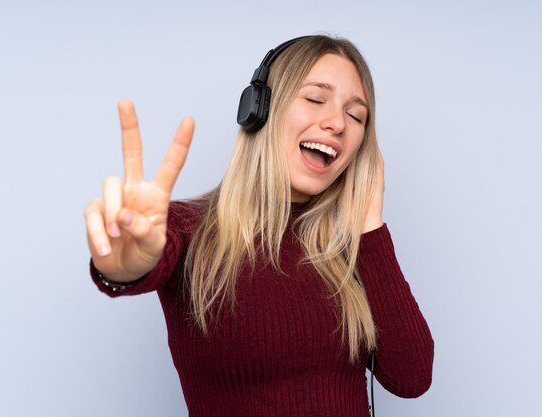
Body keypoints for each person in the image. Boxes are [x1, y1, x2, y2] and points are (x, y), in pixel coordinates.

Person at [84, 35, 434, 417]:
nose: (337, 123)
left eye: (356, 116)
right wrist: (122, 265)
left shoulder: (350, 249)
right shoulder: (187, 227)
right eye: (316, 99)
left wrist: (370, 226)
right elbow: (139, 264)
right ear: (259, 109)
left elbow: (412, 378)